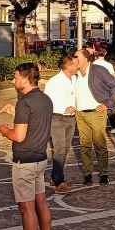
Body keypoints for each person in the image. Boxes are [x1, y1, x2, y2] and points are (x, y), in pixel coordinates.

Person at [0, 63, 55, 230]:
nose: (13, 81)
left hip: (25, 161)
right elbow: (35, 124)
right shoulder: (45, 99)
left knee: (26, 208)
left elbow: (19, 136)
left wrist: (4, 130)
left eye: (15, 77)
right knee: (41, 202)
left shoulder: (24, 102)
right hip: (40, 158)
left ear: (24, 78)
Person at [74, 48, 115, 186]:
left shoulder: (98, 70)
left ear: (86, 59)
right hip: (80, 113)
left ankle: (104, 174)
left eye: (77, 57)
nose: (75, 60)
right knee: (84, 146)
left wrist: (108, 104)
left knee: (99, 145)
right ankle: (87, 175)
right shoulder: (74, 73)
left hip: (97, 113)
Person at [43, 55, 79, 193]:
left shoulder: (74, 79)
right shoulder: (54, 81)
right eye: (76, 64)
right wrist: (62, 109)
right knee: (59, 149)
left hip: (71, 118)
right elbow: (47, 101)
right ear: (68, 66)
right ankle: (59, 181)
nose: (78, 66)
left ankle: (54, 177)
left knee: (65, 149)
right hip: (57, 118)